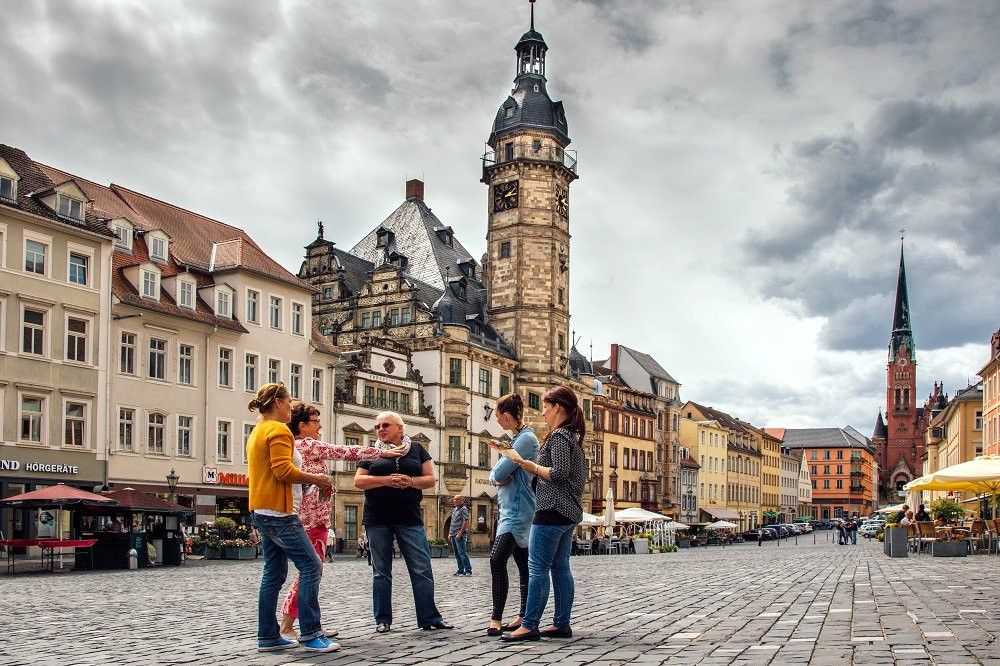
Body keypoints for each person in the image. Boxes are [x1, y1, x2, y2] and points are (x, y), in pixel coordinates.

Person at [278, 401, 405, 640]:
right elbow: (345, 451)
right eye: (316, 422)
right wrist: (380, 452)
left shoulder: (292, 445)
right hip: (313, 521)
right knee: (309, 574)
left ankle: (304, 623)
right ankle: (293, 625)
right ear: (302, 425)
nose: (320, 426)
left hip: (302, 517)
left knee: (306, 574)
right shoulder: (308, 444)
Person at [246, 383, 338, 654]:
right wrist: (316, 479)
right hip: (281, 513)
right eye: (288, 402)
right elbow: (283, 471)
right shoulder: (277, 430)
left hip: (262, 509)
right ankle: (311, 634)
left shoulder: (258, 430)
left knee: (273, 574)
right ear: (277, 402)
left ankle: (268, 636)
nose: (290, 407)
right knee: (311, 567)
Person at [496, 386, 588, 642]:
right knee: (560, 568)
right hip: (569, 512)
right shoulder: (573, 438)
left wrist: (530, 466)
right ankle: (561, 624)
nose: (544, 412)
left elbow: (558, 473)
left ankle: (530, 624)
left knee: (537, 568)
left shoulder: (559, 436)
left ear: (557, 407)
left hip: (552, 509)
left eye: (546, 407)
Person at [354, 411, 453, 633]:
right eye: (378, 426)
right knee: (381, 571)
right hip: (377, 518)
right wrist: (386, 480)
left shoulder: (417, 450)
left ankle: (430, 617)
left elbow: (430, 479)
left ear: (400, 428)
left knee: (421, 569)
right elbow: (358, 480)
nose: (380, 429)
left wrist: (409, 480)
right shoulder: (372, 452)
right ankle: (382, 619)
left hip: (409, 517)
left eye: (386, 425)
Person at [486, 393, 538, 637]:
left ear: (506, 416)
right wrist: (497, 475)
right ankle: (523, 615)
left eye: (497, 416)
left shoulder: (526, 440)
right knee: (522, 564)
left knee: (497, 559)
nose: (496, 420)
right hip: (510, 508)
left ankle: (496, 617)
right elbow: (496, 474)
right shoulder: (517, 439)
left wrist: (497, 475)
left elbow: (498, 474)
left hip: (518, 511)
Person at [449, 496, 472, 576]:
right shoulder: (454, 510)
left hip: (460, 535)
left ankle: (468, 570)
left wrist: (460, 533)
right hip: (453, 534)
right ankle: (460, 570)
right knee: (456, 554)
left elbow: (465, 521)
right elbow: (452, 522)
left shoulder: (464, 509)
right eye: (454, 499)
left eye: (457, 499)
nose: (455, 501)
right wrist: (450, 533)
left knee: (462, 553)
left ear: (462, 500)